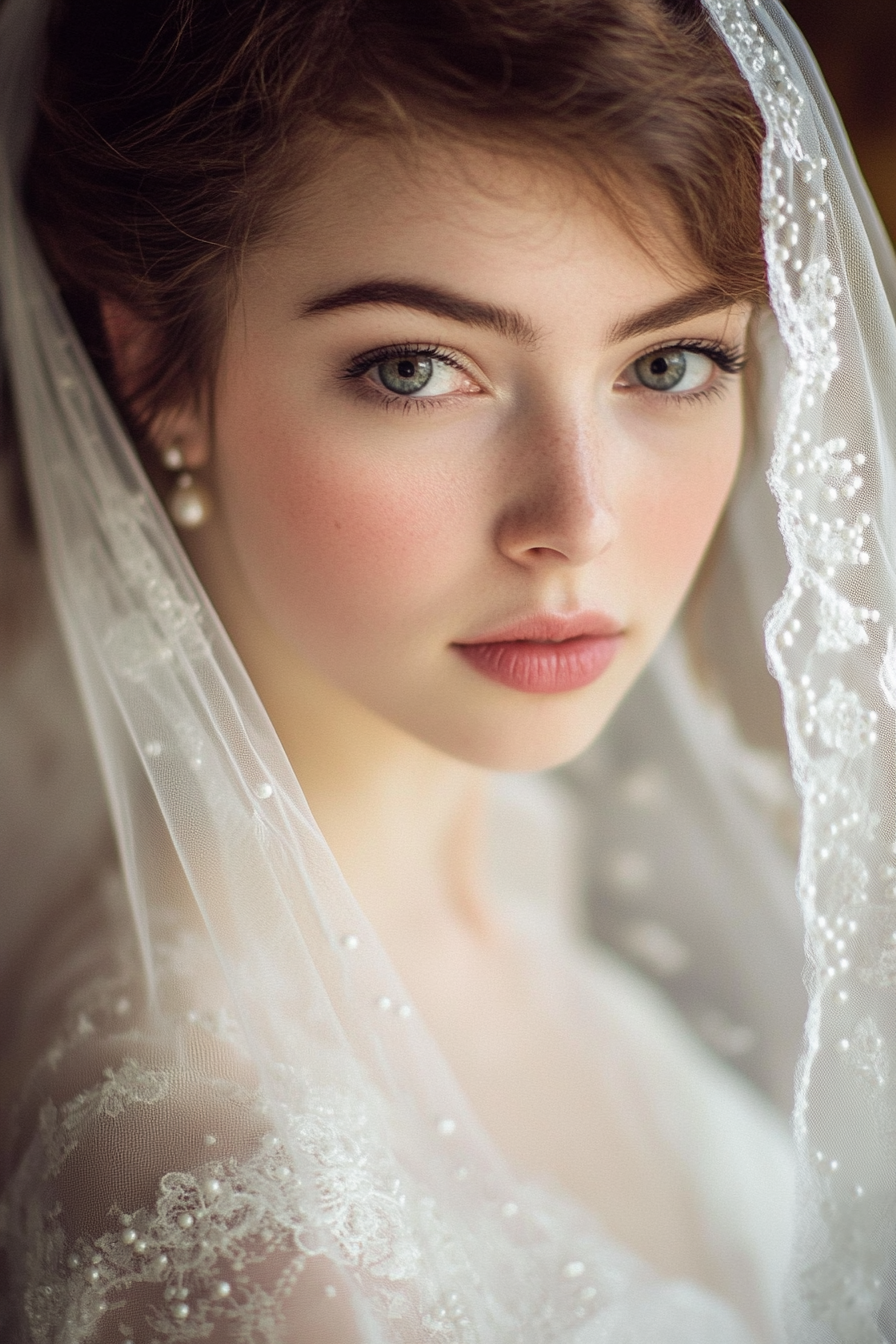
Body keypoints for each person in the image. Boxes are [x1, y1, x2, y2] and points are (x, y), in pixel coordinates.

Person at [1, 0, 895, 1340]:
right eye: (418, 369)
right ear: (152, 369)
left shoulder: (547, 856)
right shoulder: (245, 1229)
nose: (576, 521)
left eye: (669, 362)